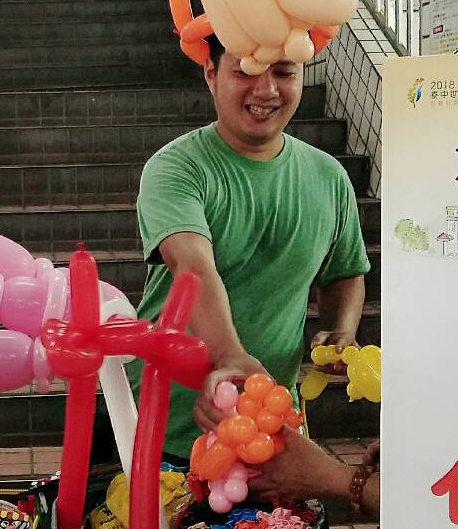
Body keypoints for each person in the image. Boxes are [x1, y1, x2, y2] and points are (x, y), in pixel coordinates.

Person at [133, 40, 369, 464]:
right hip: (165, 421)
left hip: (269, 418)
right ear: (211, 74)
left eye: (284, 72)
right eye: (244, 71)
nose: (266, 90)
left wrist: (340, 330)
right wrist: (228, 355)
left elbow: (345, 271)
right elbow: (191, 265)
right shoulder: (177, 168)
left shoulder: (328, 177)